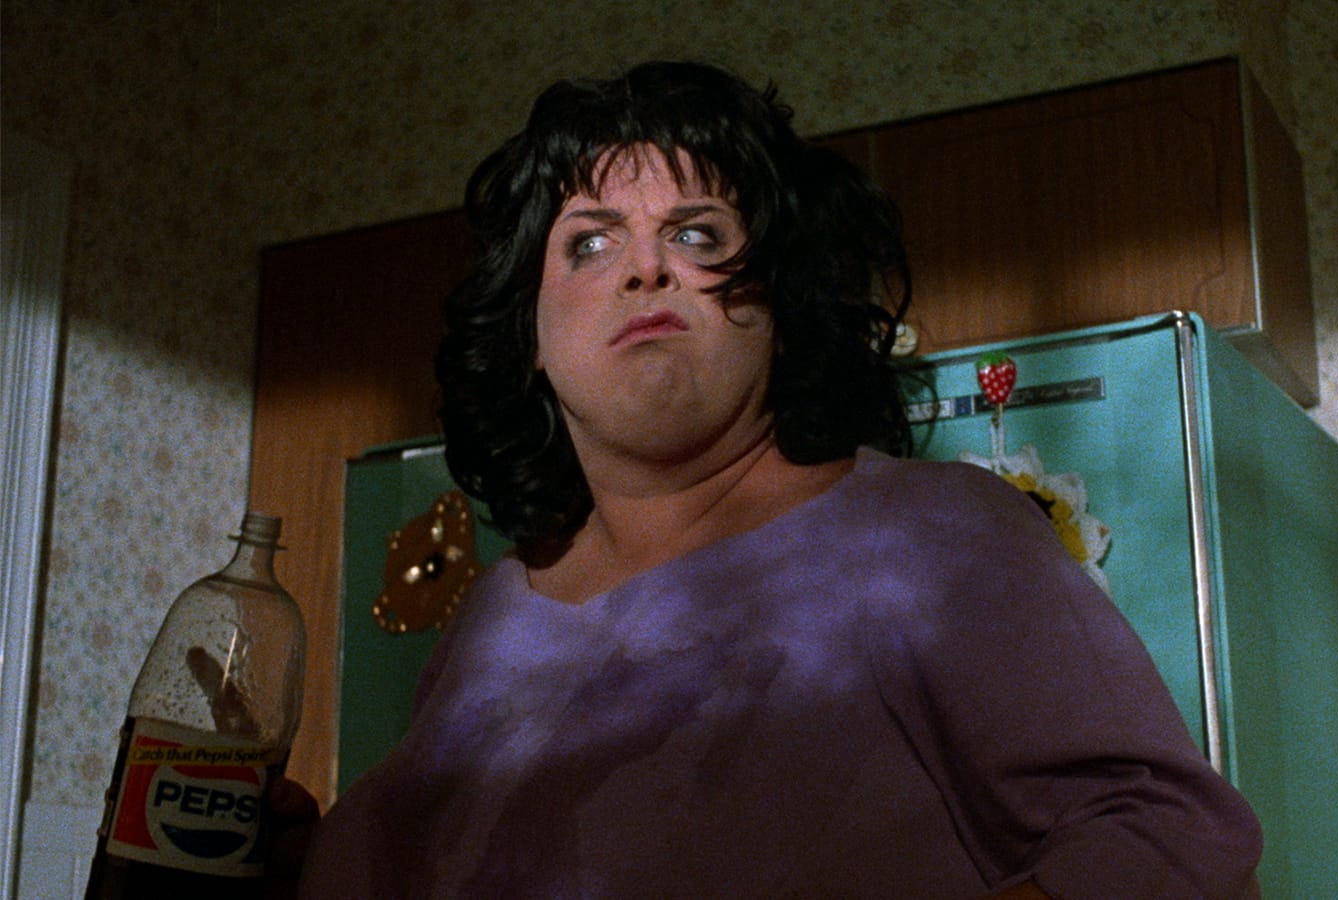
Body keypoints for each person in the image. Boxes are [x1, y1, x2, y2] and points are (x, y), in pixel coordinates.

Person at [296, 60, 1262, 898]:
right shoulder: (487, 621)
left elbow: (1169, 846)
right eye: (588, 241)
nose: (645, 267)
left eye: (698, 234)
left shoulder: (931, 533)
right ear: (529, 339)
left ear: (783, 308)